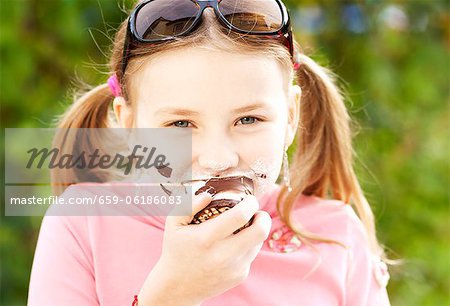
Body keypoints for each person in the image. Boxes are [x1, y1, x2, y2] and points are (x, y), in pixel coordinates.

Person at [27, 0, 392, 305]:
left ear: (290, 118)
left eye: (249, 119)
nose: (218, 158)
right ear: (130, 125)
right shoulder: (83, 225)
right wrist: (171, 295)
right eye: (181, 124)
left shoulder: (337, 236)